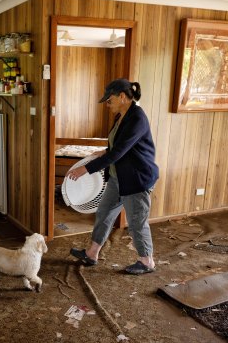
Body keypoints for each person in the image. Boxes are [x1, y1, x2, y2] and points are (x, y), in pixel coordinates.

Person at [67, 78, 159, 275]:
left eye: (109, 101)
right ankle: (92, 253)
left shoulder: (137, 118)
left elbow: (119, 152)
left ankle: (147, 261)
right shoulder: (121, 116)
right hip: (118, 177)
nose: (107, 105)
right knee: (104, 213)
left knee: (136, 221)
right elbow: (117, 146)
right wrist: (104, 151)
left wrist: (86, 169)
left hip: (136, 179)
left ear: (122, 97)